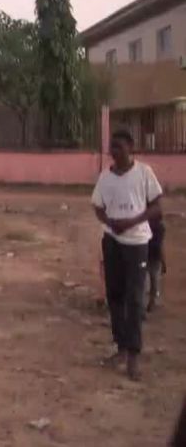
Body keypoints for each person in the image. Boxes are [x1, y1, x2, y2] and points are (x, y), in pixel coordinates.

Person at [92, 129, 163, 381]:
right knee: (115, 296)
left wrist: (133, 220)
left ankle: (134, 355)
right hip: (112, 241)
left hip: (137, 242)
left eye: (119, 147)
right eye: (112, 147)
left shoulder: (144, 174)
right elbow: (97, 206)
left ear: (131, 147)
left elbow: (156, 206)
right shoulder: (105, 178)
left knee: (134, 299)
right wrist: (110, 222)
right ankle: (120, 348)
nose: (114, 152)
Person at [147, 213, 167, 313]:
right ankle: (152, 302)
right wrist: (163, 262)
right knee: (154, 280)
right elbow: (160, 246)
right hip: (155, 257)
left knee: (144, 281)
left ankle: (143, 305)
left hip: (145, 255)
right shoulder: (161, 228)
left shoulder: (145, 225)